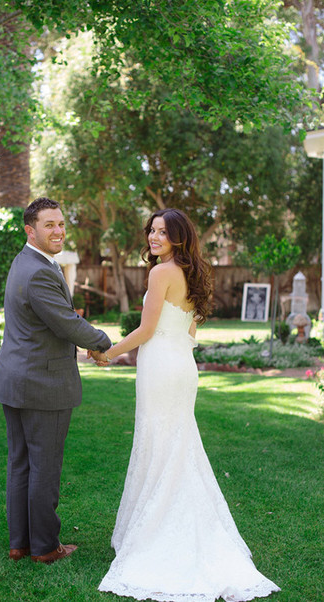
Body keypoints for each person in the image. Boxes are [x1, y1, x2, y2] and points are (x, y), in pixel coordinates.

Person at [93, 208, 280, 601]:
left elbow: (146, 330)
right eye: (152, 230)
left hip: (162, 366)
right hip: (182, 365)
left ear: (178, 237)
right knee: (177, 443)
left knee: (160, 442)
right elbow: (191, 329)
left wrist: (108, 353)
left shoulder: (161, 273)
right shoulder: (191, 273)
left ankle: (157, 531)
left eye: (163, 232)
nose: (154, 237)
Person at [0, 197, 111, 564]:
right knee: (43, 467)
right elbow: (66, 323)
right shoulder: (38, 270)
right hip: (41, 383)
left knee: (21, 463)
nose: (58, 231)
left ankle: (20, 543)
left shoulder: (25, 261)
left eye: (61, 223)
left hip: (16, 379)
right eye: (49, 225)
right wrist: (103, 342)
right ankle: (44, 547)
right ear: (30, 230)